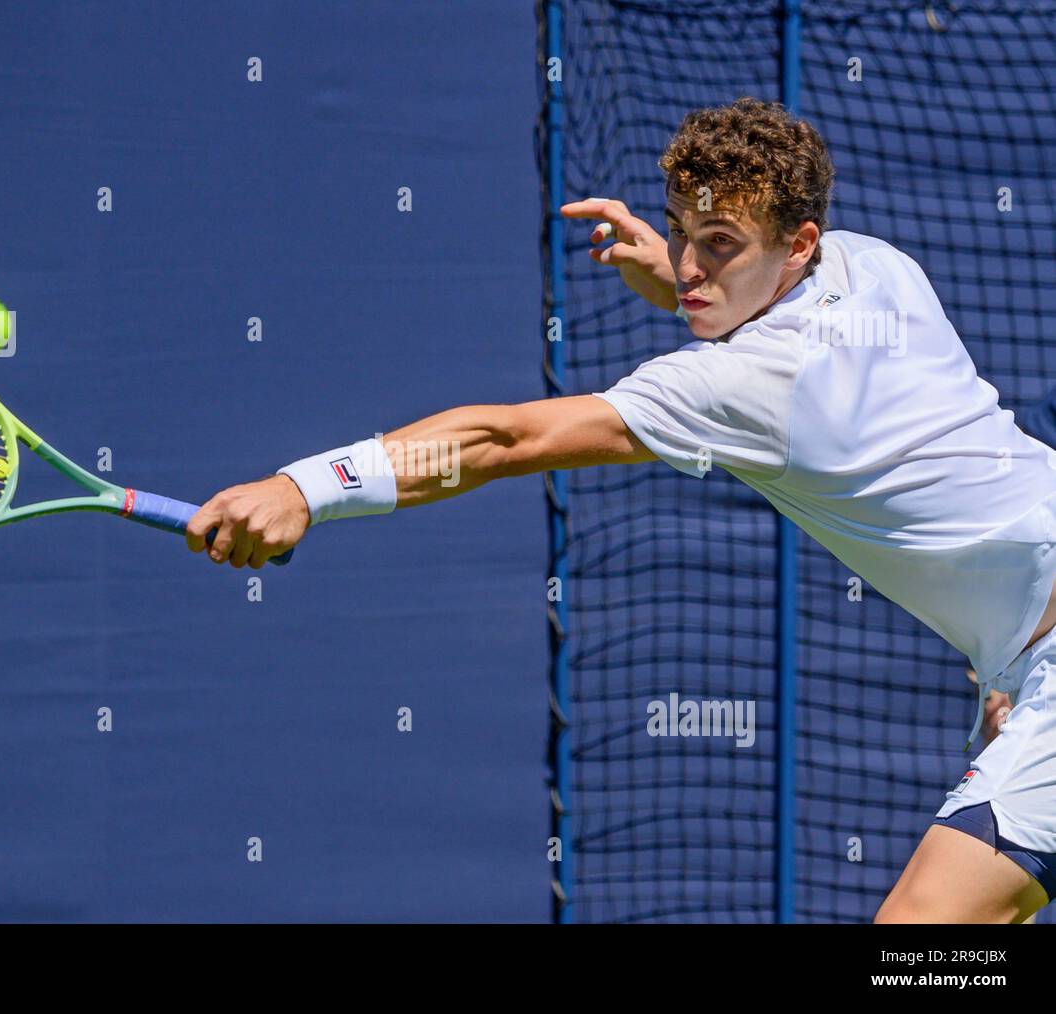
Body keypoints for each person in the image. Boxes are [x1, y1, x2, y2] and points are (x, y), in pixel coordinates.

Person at [185, 97, 1056, 923]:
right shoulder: (875, 267)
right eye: (680, 233)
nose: (687, 267)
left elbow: (503, 441)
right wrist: (677, 281)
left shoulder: (743, 383)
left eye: (717, 244)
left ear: (798, 246)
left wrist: (307, 486)